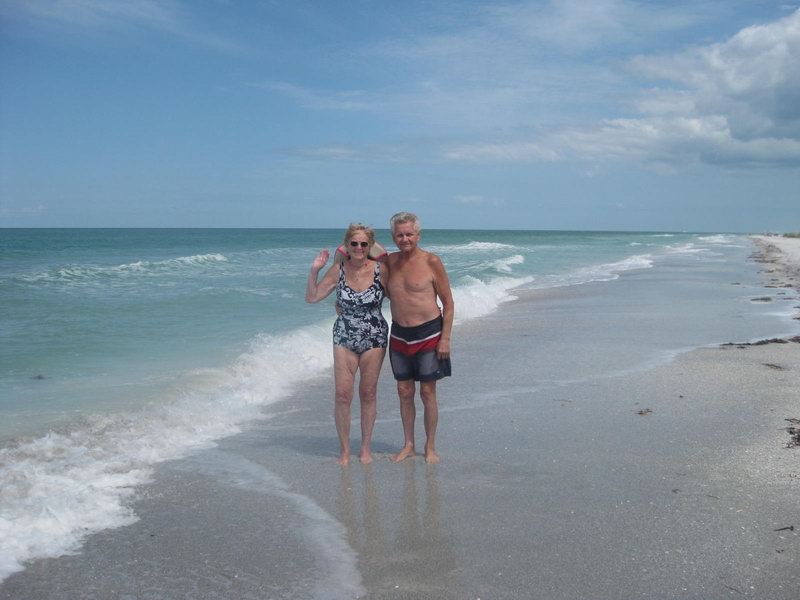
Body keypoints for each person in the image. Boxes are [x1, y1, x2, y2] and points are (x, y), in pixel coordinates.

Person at [306, 224, 389, 465]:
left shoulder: (381, 270)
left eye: (364, 244)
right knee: (343, 395)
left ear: (369, 246)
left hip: (375, 336)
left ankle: (365, 448)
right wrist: (314, 270)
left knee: (368, 393)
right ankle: (344, 450)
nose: (359, 248)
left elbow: (401, 295)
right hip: (344, 335)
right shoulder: (337, 270)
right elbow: (312, 297)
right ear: (347, 246)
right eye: (354, 243)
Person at [386, 212, 454, 464]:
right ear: (393, 237)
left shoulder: (431, 261)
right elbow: (356, 252)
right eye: (399, 235)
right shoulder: (389, 262)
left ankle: (430, 446)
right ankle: (408, 445)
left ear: (418, 235)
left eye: (409, 234)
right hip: (399, 335)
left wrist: (445, 339)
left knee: (427, 391)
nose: (404, 239)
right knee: (404, 390)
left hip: (429, 333)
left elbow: (448, 303)